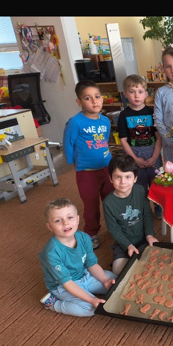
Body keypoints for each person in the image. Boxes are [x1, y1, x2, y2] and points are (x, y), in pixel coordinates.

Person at [39, 198, 115, 316]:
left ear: (78, 219)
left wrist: (105, 280)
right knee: (91, 309)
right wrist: (92, 300)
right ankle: (53, 304)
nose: (66, 223)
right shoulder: (51, 253)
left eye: (70, 217)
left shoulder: (84, 237)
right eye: (58, 220)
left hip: (84, 275)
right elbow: (67, 283)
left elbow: (91, 264)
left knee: (113, 280)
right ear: (49, 226)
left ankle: (91, 289)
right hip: (62, 285)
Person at [63, 78, 114, 249]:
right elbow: (68, 143)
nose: (94, 101)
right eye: (88, 98)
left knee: (111, 200)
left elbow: (105, 141)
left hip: (106, 168)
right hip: (86, 171)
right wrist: (72, 162)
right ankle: (91, 232)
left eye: (97, 96)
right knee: (91, 205)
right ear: (79, 102)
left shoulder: (105, 121)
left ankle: (114, 228)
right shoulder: (75, 122)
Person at [103, 153, 159, 276]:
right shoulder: (108, 202)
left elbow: (147, 214)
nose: (123, 182)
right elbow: (114, 229)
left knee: (155, 265)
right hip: (123, 244)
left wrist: (150, 235)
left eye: (128, 177)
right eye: (118, 177)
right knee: (119, 271)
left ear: (135, 178)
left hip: (144, 240)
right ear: (111, 178)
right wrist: (127, 245)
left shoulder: (140, 190)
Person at [117, 74, 163, 218]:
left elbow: (159, 137)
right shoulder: (123, 115)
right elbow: (123, 140)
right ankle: (143, 210)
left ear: (146, 94)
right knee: (139, 186)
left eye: (140, 91)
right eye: (132, 92)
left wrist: (154, 157)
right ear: (125, 94)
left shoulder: (152, 112)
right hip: (134, 155)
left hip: (153, 154)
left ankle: (159, 208)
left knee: (157, 183)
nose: (136, 95)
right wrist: (134, 159)